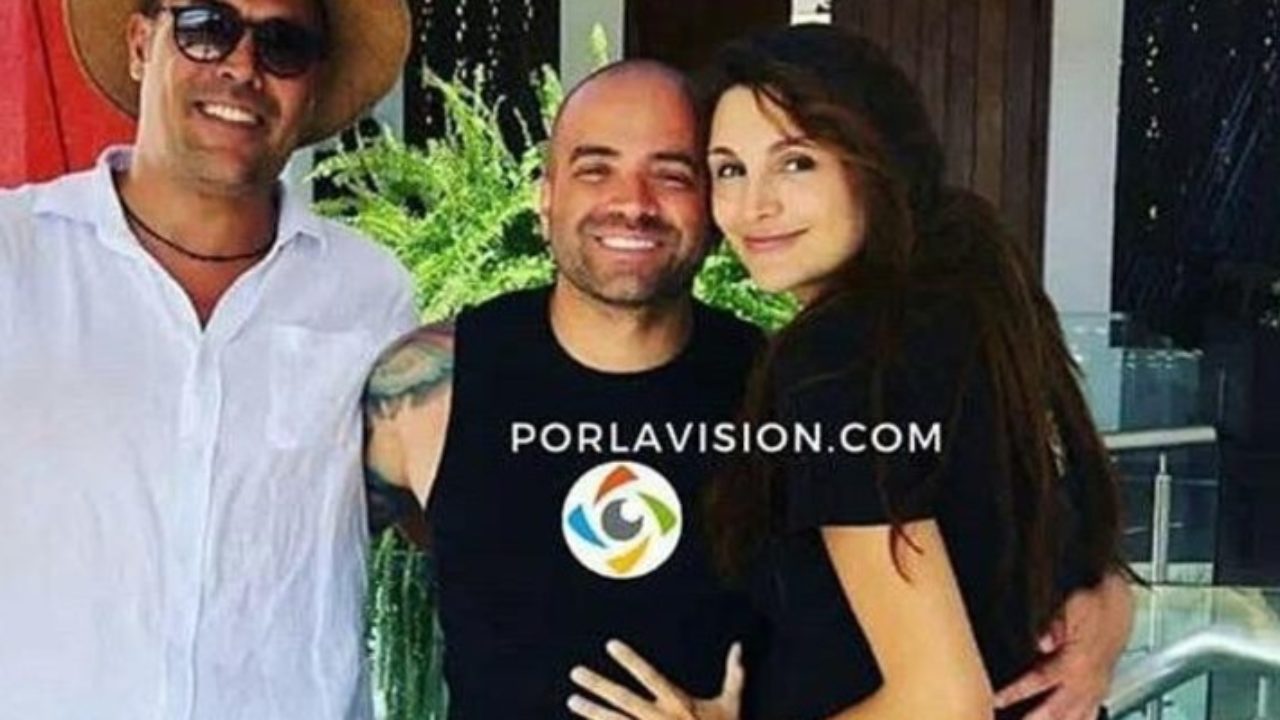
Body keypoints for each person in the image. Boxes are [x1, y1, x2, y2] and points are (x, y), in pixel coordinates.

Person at [370, 57, 1132, 720]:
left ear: (707, 208)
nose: (632, 202)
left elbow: (979, 545)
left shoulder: (786, 385)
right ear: (545, 194)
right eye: (595, 168)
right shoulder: (426, 388)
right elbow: (340, 544)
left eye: (674, 173)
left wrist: (1103, 599)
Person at [0, 0, 416, 717]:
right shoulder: (16, 255)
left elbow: (445, 511)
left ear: (312, 84)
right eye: (206, 27)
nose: (242, 66)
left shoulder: (370, 293)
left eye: (284, 43)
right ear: (141, 45)